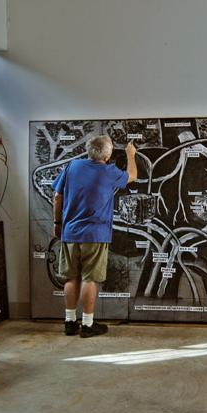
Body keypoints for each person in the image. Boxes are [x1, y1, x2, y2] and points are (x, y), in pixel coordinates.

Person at [53, 136, 137, 337]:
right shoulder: (108, 171)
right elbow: (132, 175)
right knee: (90, 279)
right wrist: (130, 155)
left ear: (88, 150)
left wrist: (57, 223)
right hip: (95, 234)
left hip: (70, 232)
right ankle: (88, 325)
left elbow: (57, 196)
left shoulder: (72, 167)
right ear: (107, 155)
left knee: (71, 277)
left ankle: (70, 322)